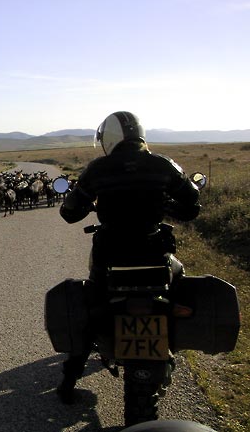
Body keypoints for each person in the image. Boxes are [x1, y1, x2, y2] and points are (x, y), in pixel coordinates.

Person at [56, 111, 201, 404]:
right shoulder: (163, 165)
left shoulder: (98, 169)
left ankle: (68, 383)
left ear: (109, 138)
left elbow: (69, 213)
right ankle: (175, 328)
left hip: (110, 258)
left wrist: (87, 202)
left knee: (91, 307)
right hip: (156, 259)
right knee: (178, 278)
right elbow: (191, 206)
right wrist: (164, 204)